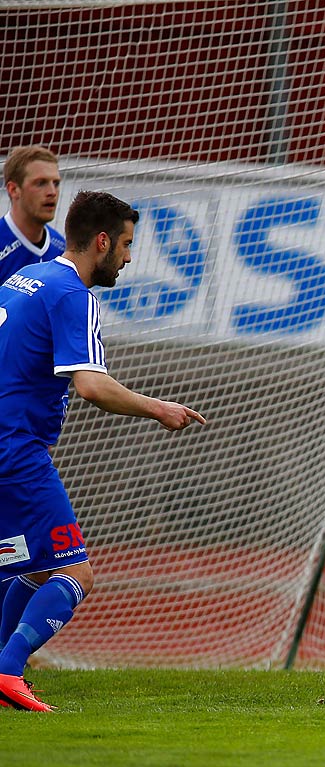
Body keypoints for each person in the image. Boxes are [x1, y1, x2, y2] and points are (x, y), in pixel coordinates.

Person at [0, 191, 206, 711]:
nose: (130, 258)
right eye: (127, 244)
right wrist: (158, 408)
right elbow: (92, 386)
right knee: (76, 572)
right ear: (101, 241)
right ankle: (7, 670)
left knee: (35, 565)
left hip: (9, 443)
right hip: (15, 449)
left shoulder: (25, 279)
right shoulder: (73, 293)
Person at [0, 146, 64, 283]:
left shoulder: (61, 249)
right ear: (13, 189)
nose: (52, 192)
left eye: (56, 183)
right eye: (41, 183)